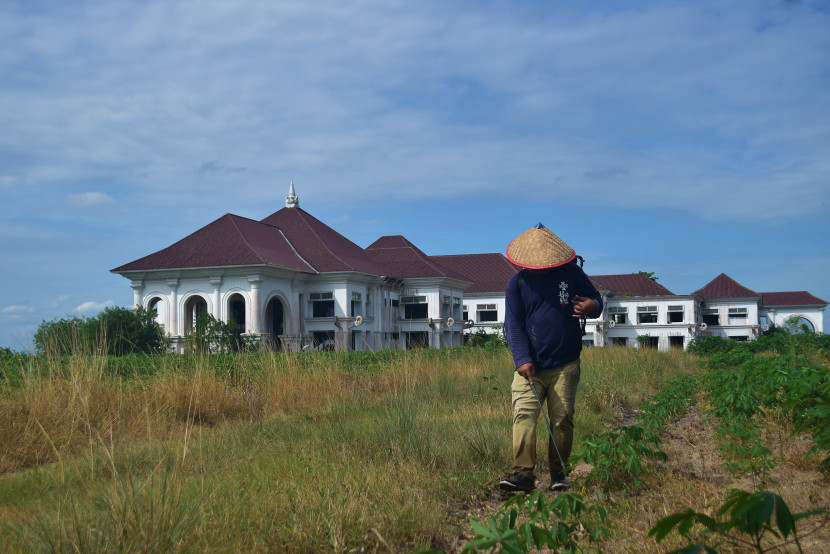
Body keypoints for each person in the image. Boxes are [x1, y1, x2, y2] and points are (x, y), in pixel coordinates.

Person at [499, 223, 603, 493]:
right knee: (523, 415)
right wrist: (522, 359)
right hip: (529, 367)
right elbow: (513, 324)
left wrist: (591, 307)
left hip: (565, 363)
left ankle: (559, 473)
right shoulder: (517, 283)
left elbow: (595, 299)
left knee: (562, 419)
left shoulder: (571, 273)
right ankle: (523, 475)